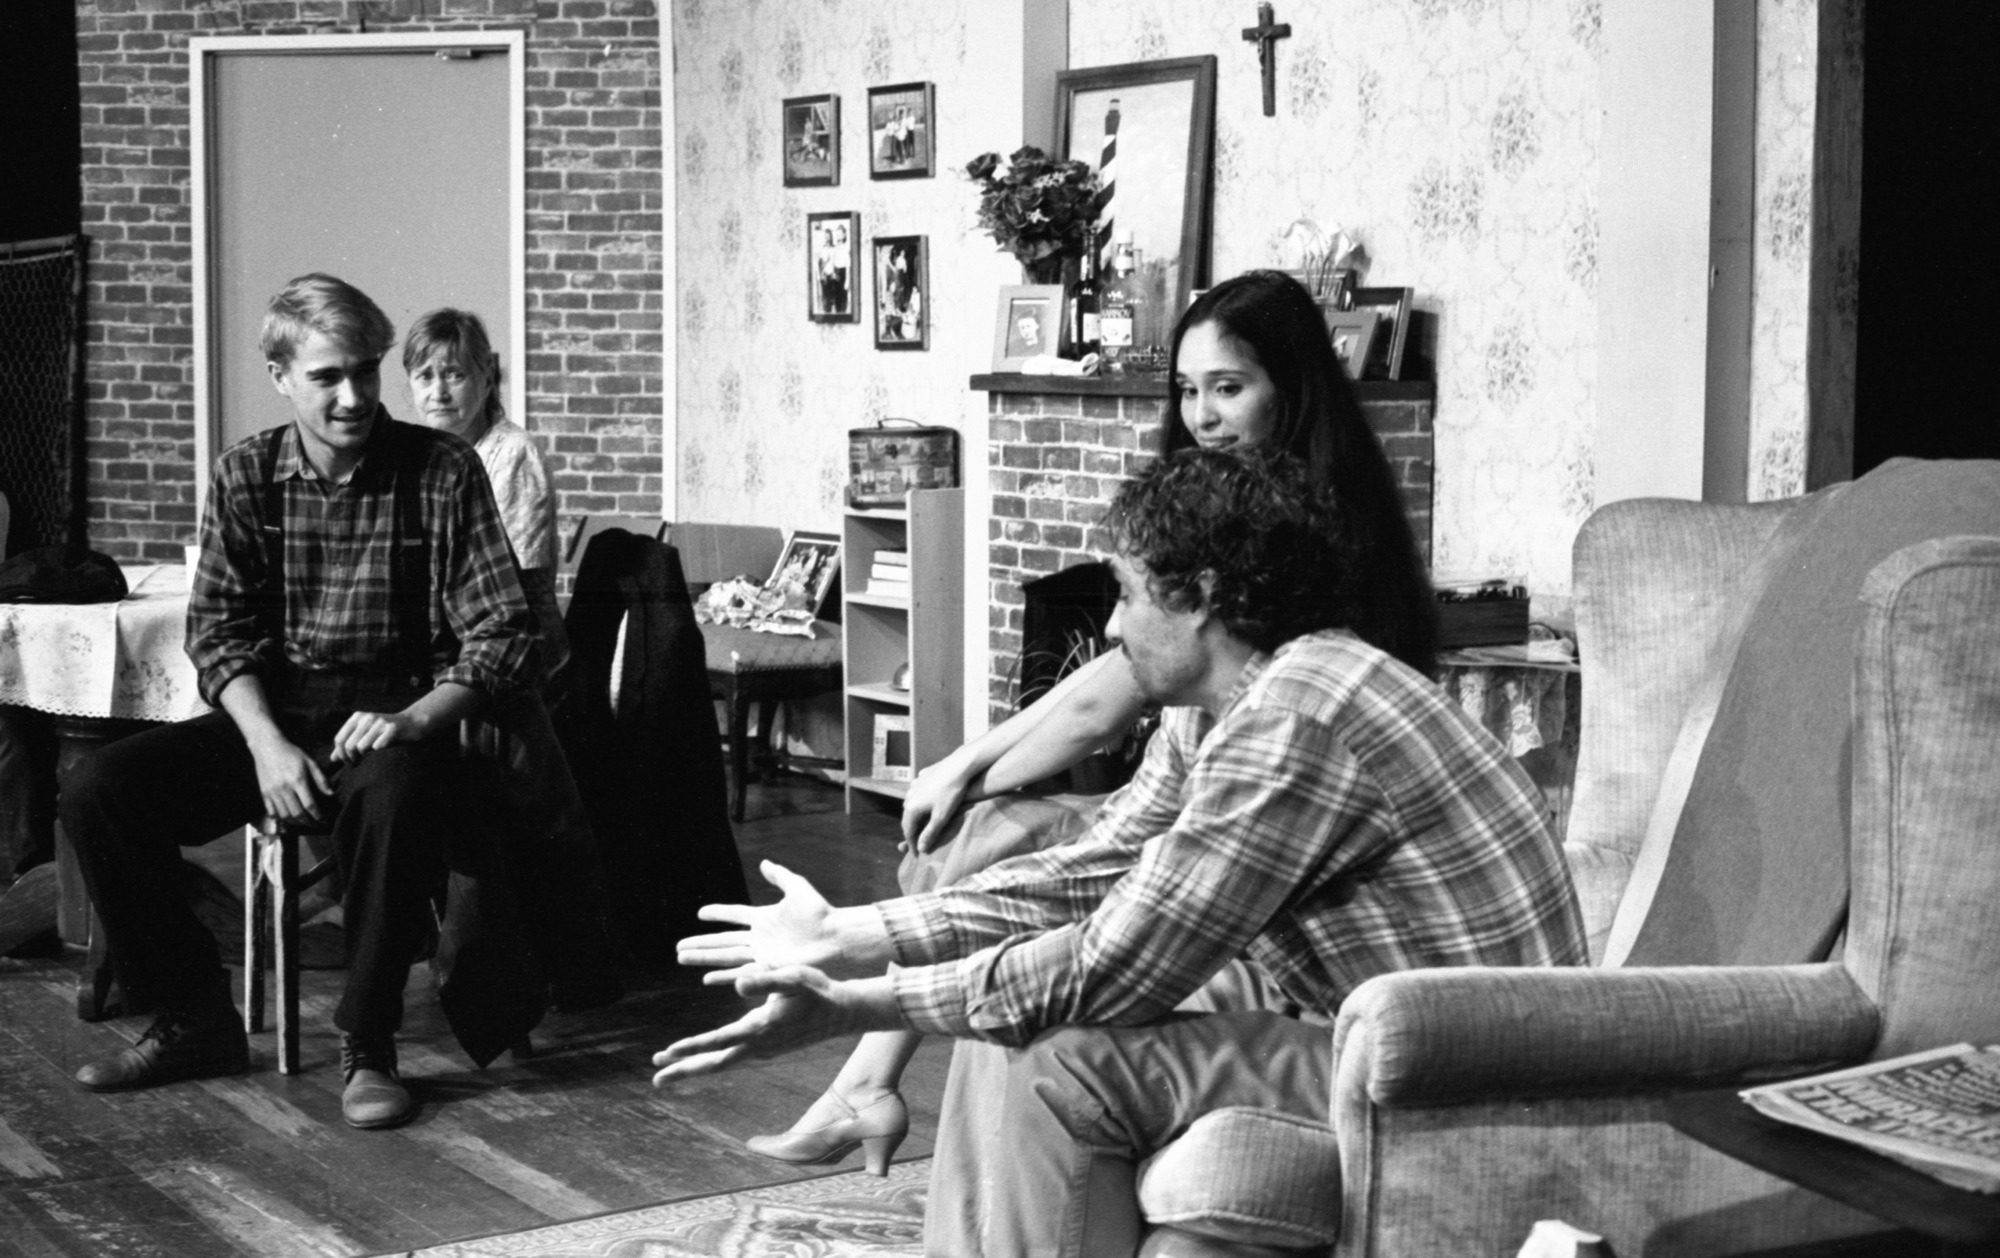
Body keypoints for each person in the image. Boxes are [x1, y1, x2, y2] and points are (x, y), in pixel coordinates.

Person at [655, 448, 1587, 1255]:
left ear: (1203, 598)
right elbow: (1094, 868)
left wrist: (860, 1003)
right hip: (1359, 1023)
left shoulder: (1298, 717)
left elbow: (1115, 966)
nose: (1109, 627)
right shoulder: (1225, 703)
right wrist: (856, 932)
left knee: (1062, 1059)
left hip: (1462, 1072)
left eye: (1129, 594)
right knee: (1010, 1009)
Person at [745, 267, 1439, 1166]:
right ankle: (868, 1083)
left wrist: (967, 780)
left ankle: (867, 1081)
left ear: (1293, 391)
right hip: (1202, 808)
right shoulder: (1207, 540)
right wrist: (963, 770)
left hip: (1297, 881)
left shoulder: (1297, 573)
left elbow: (1108, 701)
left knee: (988, 850)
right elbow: (1119, 678)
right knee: (974, 835)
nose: (1202, 416)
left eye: (1228, 388)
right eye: (1186, 390)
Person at [59, 273, 537, 1130]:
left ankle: (369, 1043)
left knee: (396, 796)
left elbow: (501, 630)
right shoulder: (246, 474)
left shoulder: (443, 470)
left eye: (365, 371)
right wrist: (265, 746)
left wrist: (415, 718)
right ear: (281, 376)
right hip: (276, 713)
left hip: (397, 714)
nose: (354, 397)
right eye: (327, 377)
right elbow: (218, 632)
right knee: (98, 789)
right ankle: (194, 1018)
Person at [403, 308, 569, 701]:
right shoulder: (424, 457)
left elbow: (513, 594)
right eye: (425, 376)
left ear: (487, 377)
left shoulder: (513, 452)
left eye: (454, 375)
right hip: (449, 646)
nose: (438, 392)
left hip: (517, 656)